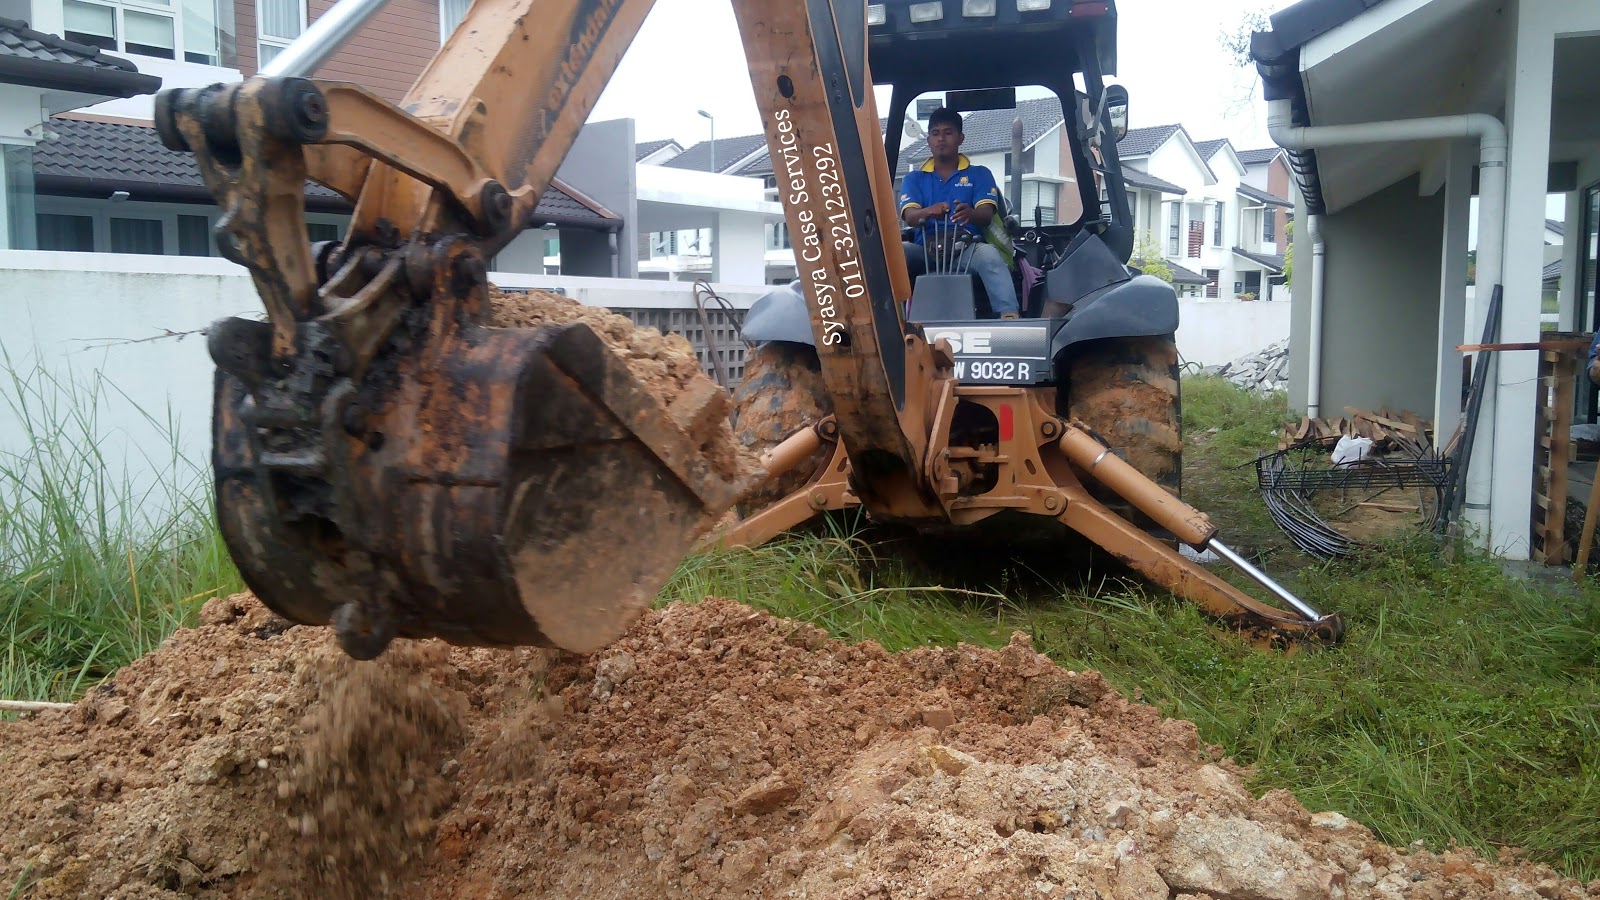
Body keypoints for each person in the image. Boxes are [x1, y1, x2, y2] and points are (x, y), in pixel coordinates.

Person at [898, 107, 1021, 319]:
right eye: (935, 133)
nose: (941, 139)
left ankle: (1009, 318)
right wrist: (929, 211)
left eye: (948, 132)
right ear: (928, 140)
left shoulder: (980, 174)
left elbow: (986, 214)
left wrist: (971, 214)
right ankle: (891, 321)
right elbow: (910, 216)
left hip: (965, 249)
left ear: (960, 138)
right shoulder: (913, 178)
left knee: (989, 254)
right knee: (895, 253)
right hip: (924, 250)